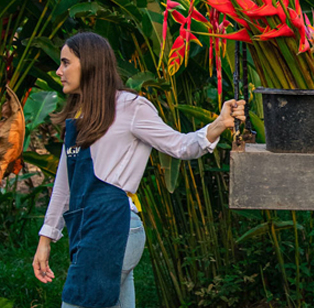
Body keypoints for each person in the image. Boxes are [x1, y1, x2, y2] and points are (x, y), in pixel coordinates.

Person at [31, 32, 245, 308]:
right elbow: (65, 184)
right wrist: (46, 237)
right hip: (88, 231)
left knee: (76, 302)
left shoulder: (131, 107)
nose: (59, 71)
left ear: (90, 64)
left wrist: (218, 124)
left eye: (65, 63)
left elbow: (181, 146)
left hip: (114, 228)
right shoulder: (78, 115)